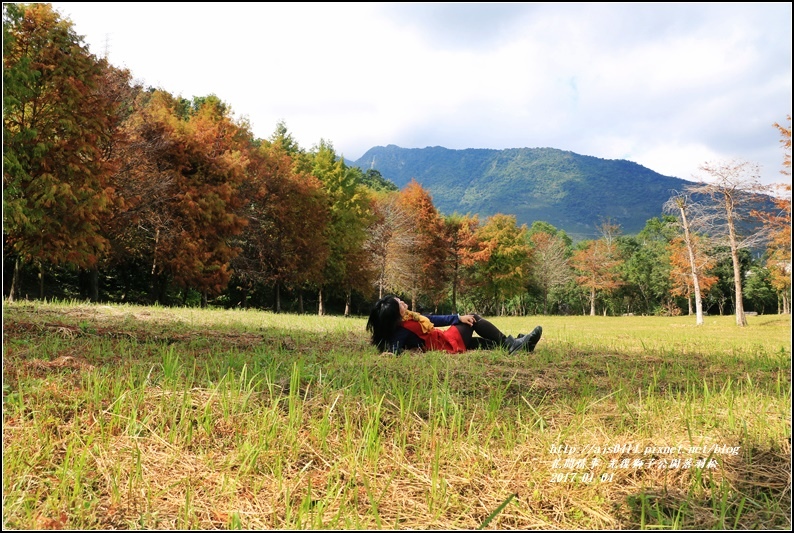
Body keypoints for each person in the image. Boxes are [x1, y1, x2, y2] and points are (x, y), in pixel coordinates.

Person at [366, 294, 542, 356]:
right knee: (473, 318)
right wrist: (391, 354)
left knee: (482, 344)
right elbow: (395, 347)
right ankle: (512, 344)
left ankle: (521, 346)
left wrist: (457, 317)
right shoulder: (401, 330)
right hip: (445, 344)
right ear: (397, 315)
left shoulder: (411, 318)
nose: (403, 302)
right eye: (400, 304)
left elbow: (435, 319)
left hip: (444, 339)